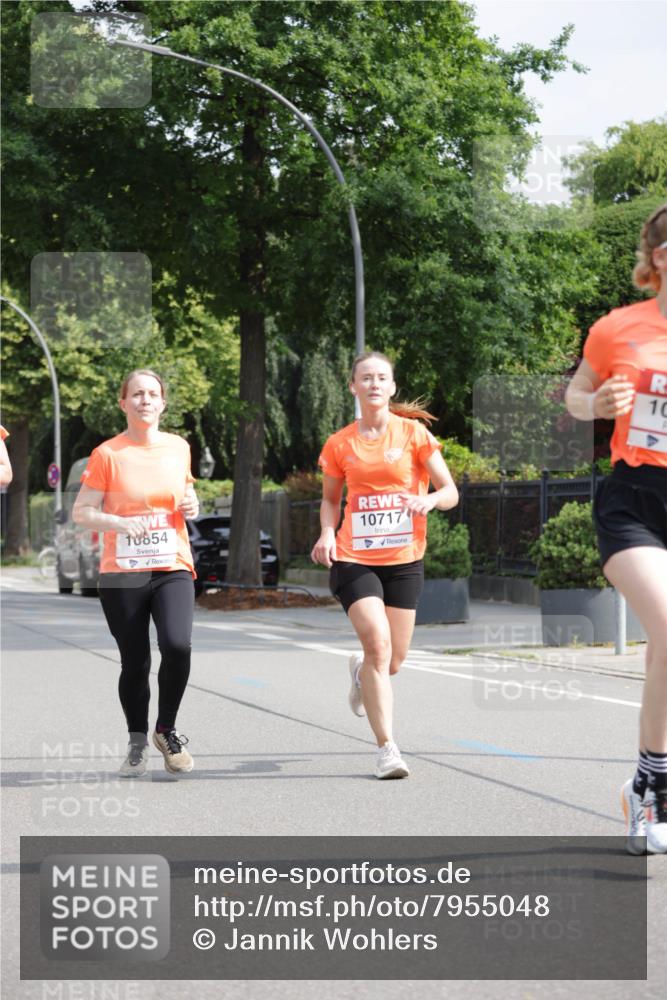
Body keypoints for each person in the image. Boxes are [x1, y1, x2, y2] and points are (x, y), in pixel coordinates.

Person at [565, 203, 667, 854]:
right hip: (632, 498)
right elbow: (575, 395)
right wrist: (594, 403)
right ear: (658, 257)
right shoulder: (615, 329)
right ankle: (656, 787)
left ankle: (639, 784)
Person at [311, 351, 459, 779]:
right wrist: (325, 533)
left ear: (392, 387)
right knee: (377, 643)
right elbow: (329, 500)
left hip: (404, 559)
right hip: (354, 557)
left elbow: (450, 490)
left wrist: (429, 499)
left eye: (382, 378)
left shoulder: (413, 435)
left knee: (392, 662)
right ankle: (387, 749)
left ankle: (360, 674)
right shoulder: (340, 443)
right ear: (353, 387)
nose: (374, 384)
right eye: (366, 378)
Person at [73, 370, 200, 778]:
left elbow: (185, 492)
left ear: (163, 403)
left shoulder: (179, 447)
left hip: (171, 564)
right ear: (123, 403)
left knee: (178, 645)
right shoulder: (107, 454)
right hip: (123, 572)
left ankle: (167, 730)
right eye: (137, 394)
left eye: (153, 394)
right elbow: (82, 513)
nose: (145, 400)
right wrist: (119, 523)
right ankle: (137, 740)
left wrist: (192, 504)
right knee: (135, 661)